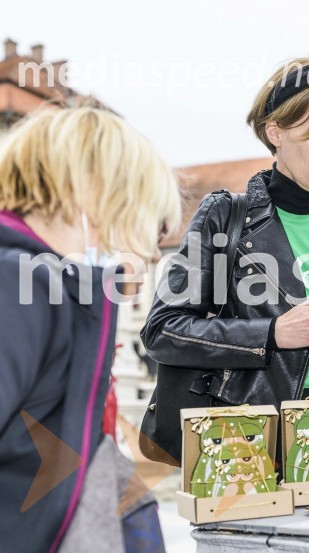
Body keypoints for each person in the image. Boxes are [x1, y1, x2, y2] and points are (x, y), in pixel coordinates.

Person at [141, 58, 309, 439]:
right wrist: (272, 333)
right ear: (275, 132)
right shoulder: (224, 217)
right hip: (259, 439)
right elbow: (163, 330)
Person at [0, 107, 181, 552]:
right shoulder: (20, 284)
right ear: (97, 190)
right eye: (154, 220)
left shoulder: (42, 284)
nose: (154, 252)